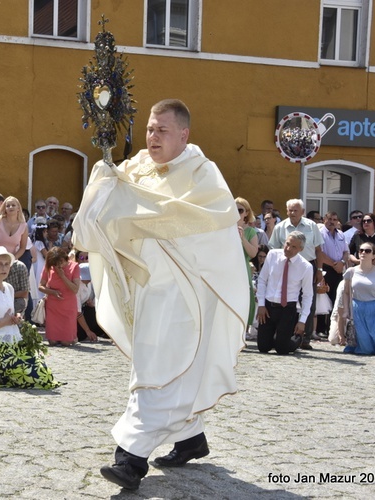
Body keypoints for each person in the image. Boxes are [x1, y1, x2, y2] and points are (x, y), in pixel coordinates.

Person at [74, 99, 248, 490]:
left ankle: (130, 460)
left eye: (162, 130)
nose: (153, 137)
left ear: (184, 135)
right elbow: (111, 200)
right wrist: (104, 176)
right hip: (150, 289)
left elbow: (208, 221)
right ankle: (190, 439)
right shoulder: (137, 167)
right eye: (150, 129)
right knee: (163, 364)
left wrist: (138, 209)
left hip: (187, 296)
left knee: (158, 369)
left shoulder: (204, 175)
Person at [0, 246, 61, 389]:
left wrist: (16, 317)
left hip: (13, 343)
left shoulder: (9, 288)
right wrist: (3, 322)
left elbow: (8, 314)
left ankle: (0, 375)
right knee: (34, 375)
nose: (4, 268)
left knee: (43, 372)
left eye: (7, 264)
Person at [268, 199, 324, 350]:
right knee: (287, 301)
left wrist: (319, 270)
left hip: (308, 266)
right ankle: (285, 334)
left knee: (308, 301)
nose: (292, 213)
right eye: (290, 210)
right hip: (287, 267)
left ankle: (305, 337)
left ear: (303, 212)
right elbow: (273, 249)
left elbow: (319, 250)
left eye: (295, 210)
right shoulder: (280, 227)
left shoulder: (312, 226)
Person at [256, 232, 313, 354]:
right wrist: (261, 304)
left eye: (294, 247)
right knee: (263, 347)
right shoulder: (272, 255)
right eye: (287, 244)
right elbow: (262, 280)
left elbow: (307, 295)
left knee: (282, 349)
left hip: (288, 308)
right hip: (268, 306)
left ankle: (296, 339)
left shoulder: (306, 267)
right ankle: (275, 339)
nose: (288, 249)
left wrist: (302, 321)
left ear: (300, 249)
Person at [38, 246, 80, 346]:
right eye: (55, 264)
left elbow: (75, 289)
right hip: (53, 307)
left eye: (60, 263)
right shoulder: (49, 267)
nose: (58, 266)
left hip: (68, 306)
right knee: (52, 342)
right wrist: (52, 292)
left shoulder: (74, 266)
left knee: (66, 342)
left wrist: (62, 276)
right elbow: (40, 286)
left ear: (64, 259)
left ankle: (72, 337)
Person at [317, 211, 349, 337]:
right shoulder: (320, 234)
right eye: (329, 219)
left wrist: (341, 263)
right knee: (322, 297)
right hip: (325, 268)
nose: (332, 221)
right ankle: (320, 328)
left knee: (336, 298)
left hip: (339, 269)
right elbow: (319, 253)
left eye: (334, 219)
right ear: (325, 219)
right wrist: (334, 265)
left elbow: (346, 252)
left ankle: (331, 328)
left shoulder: (341, 234)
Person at [236, 197, 259, 328]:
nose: (237, 212)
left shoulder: (250, 231)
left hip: (242, 270)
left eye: (240, 210)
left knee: (242, 302)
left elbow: (253, 253)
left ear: (246, 213)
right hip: (226, 269)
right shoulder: (224, 228)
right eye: (234, 209)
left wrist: (243, 238)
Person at [0, 196, 28, 260]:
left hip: (12, 261)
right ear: (5, 209)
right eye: (8, 206)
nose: (10, 207)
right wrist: (0, 255)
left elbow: (22, 248)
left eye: (13, 205)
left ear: (18, 208)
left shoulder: (24, 226)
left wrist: (12, 259)